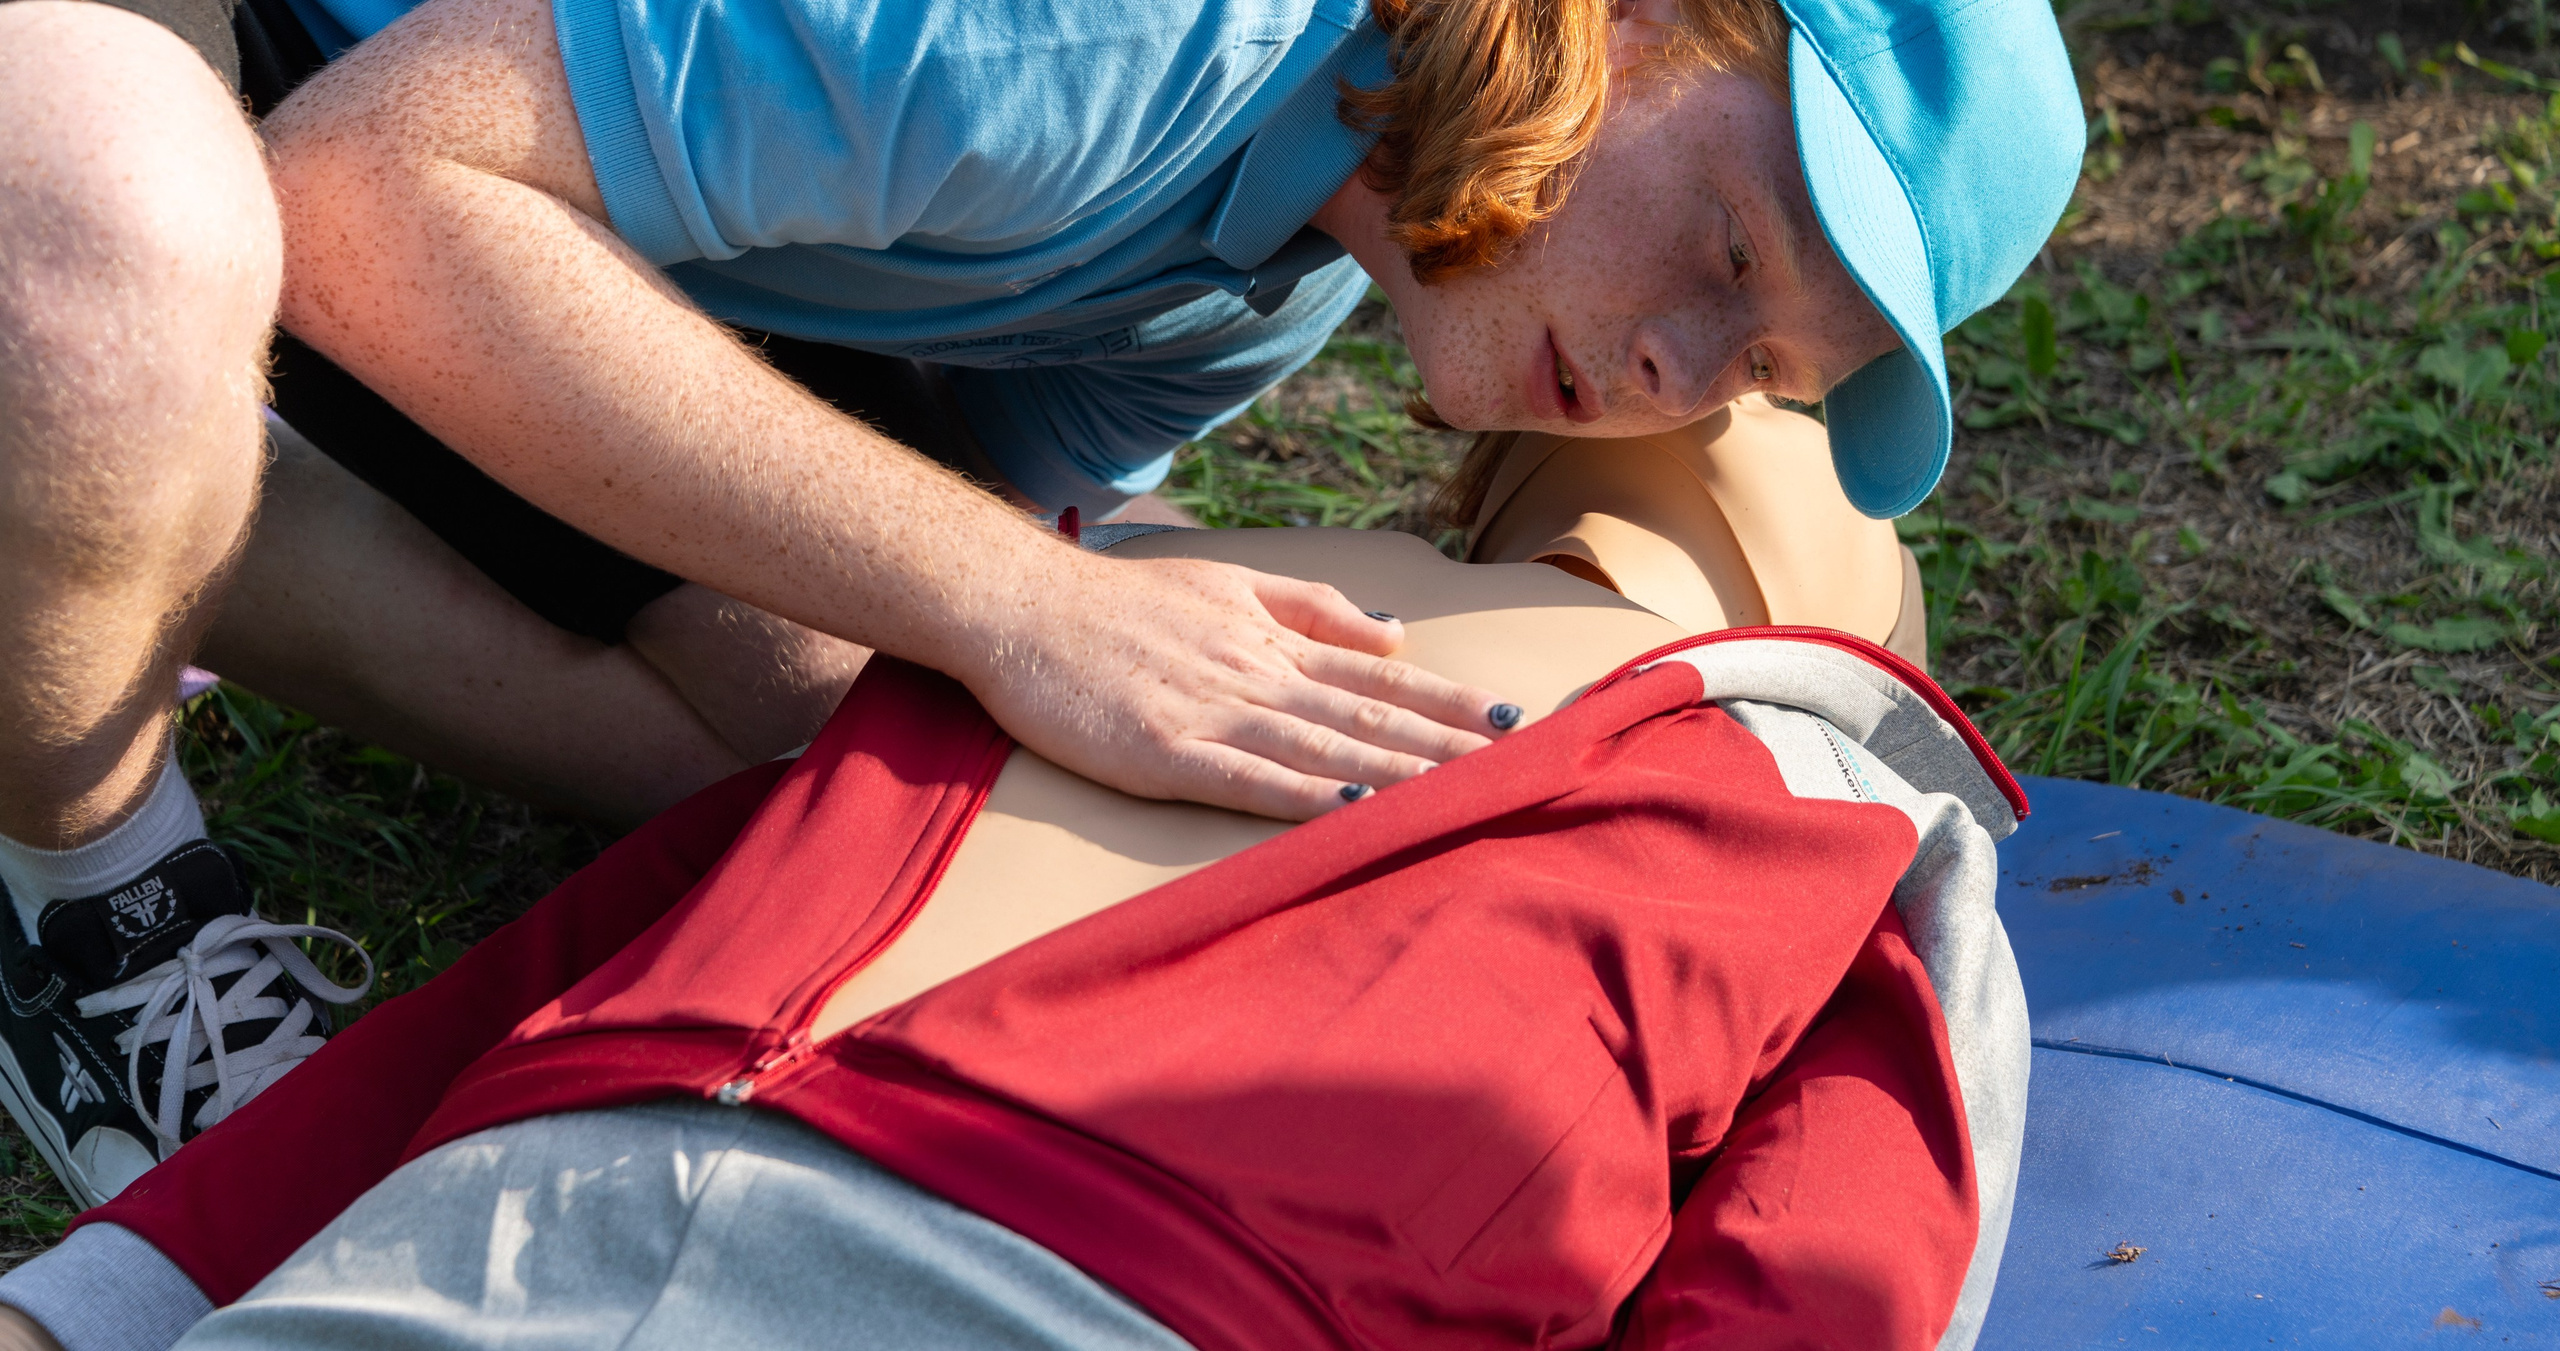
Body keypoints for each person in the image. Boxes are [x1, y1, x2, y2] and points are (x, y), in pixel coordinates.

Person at [0, 0, 2080, 1203]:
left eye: (1759, 372)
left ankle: (87, 503)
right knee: (111, 268)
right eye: (1720, 250)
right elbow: (371, 197)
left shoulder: (1286, 256)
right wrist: (1019, 600)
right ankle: (83, 898)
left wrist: (1074, 650)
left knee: (810, 723)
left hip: (385, 52)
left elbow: (895, 643)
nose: (1671, 377)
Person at [0, 408, 2031, 1351]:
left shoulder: (1839, 797)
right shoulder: (1112, 602)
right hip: (522, 1217)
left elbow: (1823, 1273)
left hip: (1070, 1291)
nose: (1725, 397)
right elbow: (630, 941)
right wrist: (115, 1296)